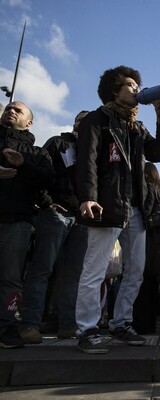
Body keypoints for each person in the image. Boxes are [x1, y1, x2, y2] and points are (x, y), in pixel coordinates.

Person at [75, 65, 160, 354]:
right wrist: (87, 197)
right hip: (107, 206)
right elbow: (87, 161)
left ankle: (121, 323)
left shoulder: (137, 126)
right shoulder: (97, 119)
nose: (136, 89)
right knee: (95, 271)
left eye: (135, 84)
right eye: (129, 85)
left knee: (136, 272)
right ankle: (87, 329)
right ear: (113, 90)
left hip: (135, 210)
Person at [19, 111, 89, 344]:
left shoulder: (94, 150)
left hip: (82, 219)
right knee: (42, 269)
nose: (84, 124)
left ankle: (67, 325)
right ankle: (29, 323)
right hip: (56, 214)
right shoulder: (58, 143)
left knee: (73, 275)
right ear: (74, 124)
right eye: (81, 120)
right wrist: (47, 203)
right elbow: (41, 173)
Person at [0, 101, 54, 348]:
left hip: (18, 221)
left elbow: (47, 180)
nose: (11, 111)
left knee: (11, 277)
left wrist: (24, 164)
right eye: (8, 108)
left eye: (18, 110)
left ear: (29, 122)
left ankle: (5, 327)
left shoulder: (38, 153)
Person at [132, 162, 160, 334]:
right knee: (152, 280)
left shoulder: (150, 189)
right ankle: (150, 319)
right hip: (156, 240)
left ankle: (141, 321)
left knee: (142, 278)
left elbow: (145, 213)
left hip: (147, 238)